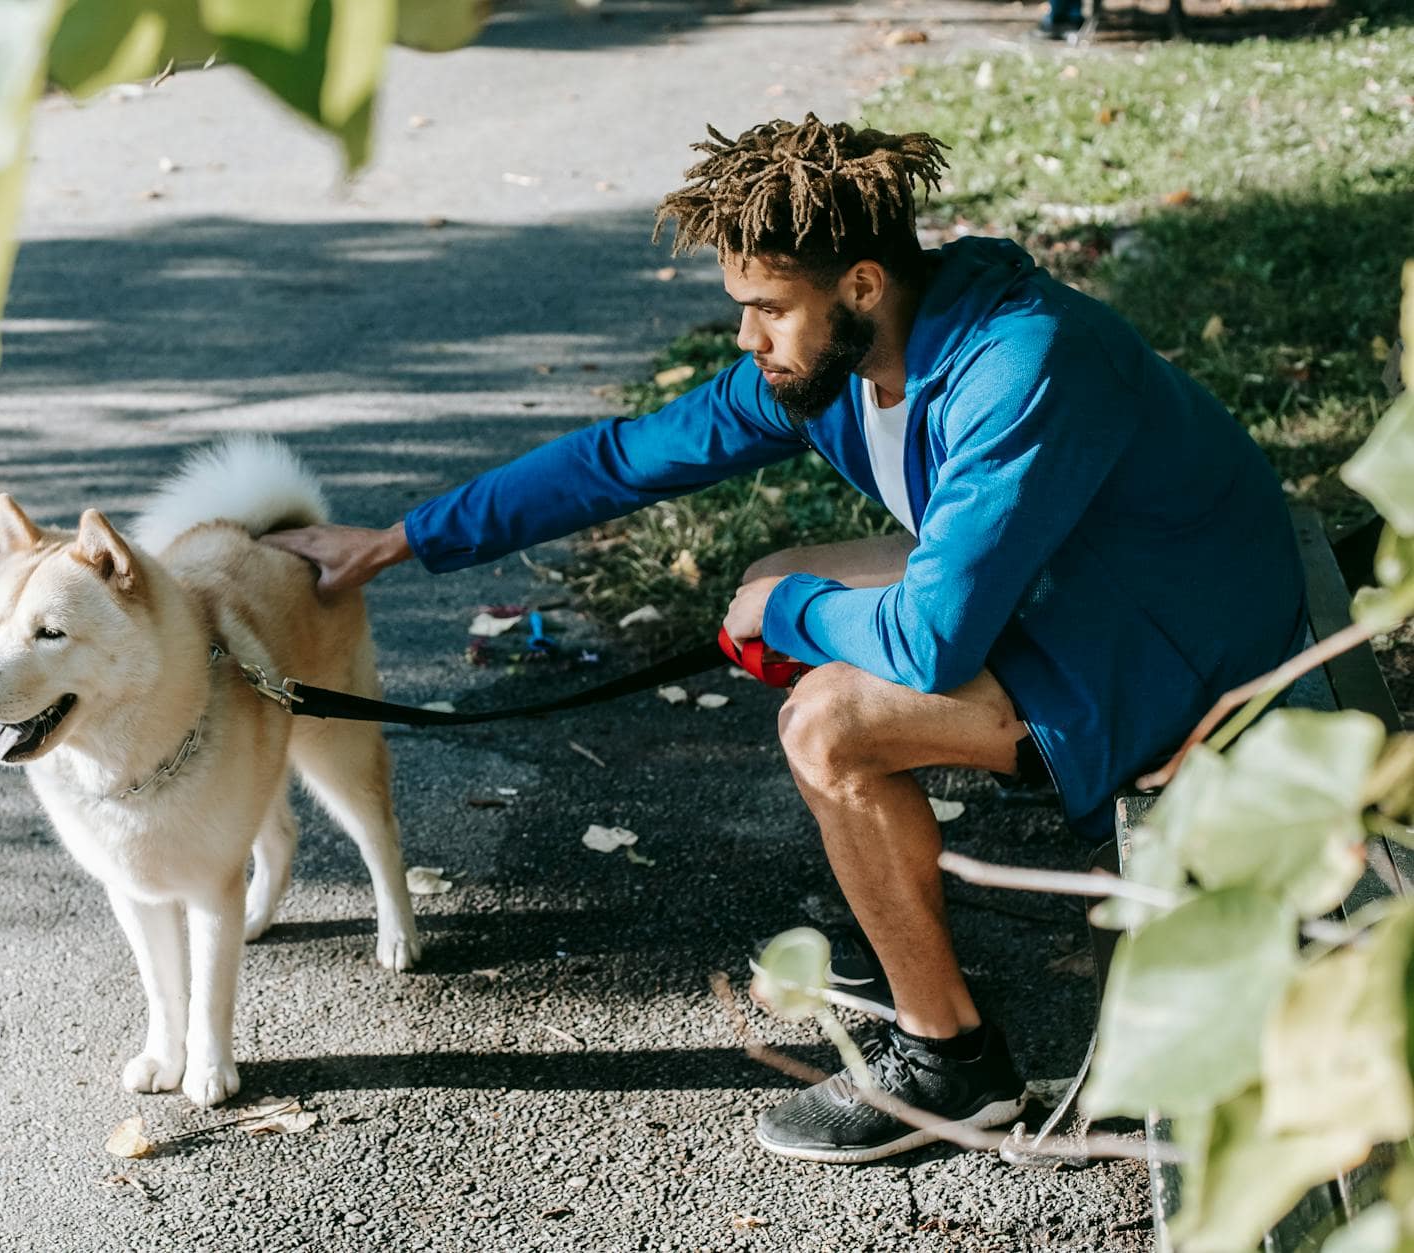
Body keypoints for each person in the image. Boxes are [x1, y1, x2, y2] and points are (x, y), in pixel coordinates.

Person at [262, 115, 1306, 1163]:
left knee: (826, 721)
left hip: (1190, 660)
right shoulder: (841, 365)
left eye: (767, 309)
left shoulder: (1020, 364)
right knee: (786, 574)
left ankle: (949, 1062)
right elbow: (624, 458)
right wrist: (398, 541)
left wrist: (791, 610)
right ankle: (895, 902)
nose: (746, 338)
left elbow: (932, 644)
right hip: (1090, 586)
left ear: (861, 285)